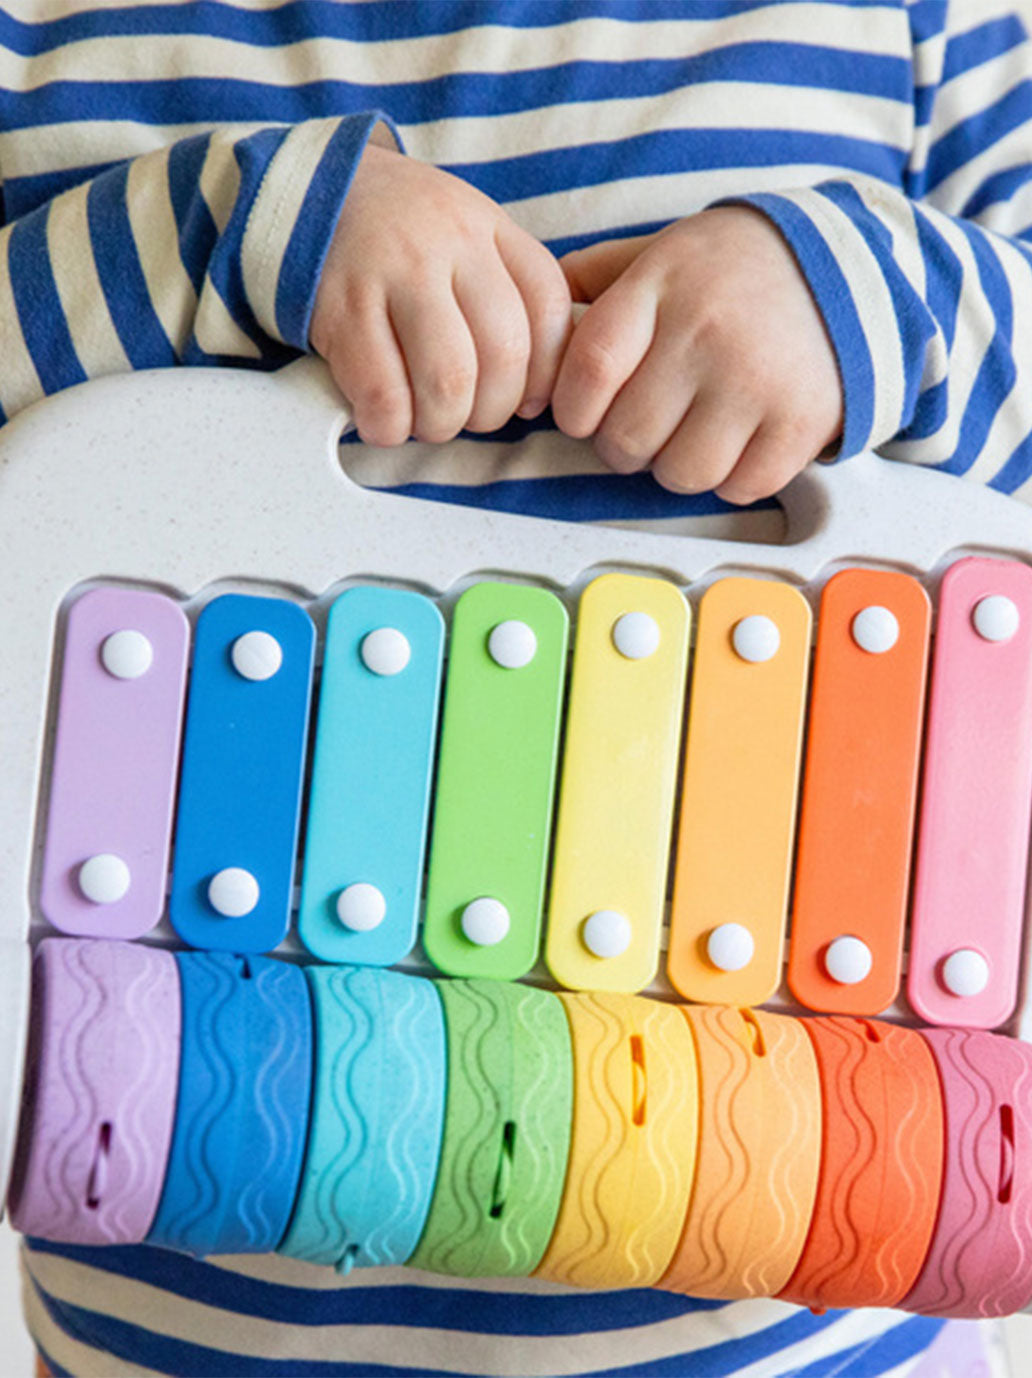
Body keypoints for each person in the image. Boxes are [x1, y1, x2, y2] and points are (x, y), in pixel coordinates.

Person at [4, 1, 1030, 1373]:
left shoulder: (917, 26)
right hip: (166, 1251)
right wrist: (228, 233)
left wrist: (867, 297)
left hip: (780, 1284)